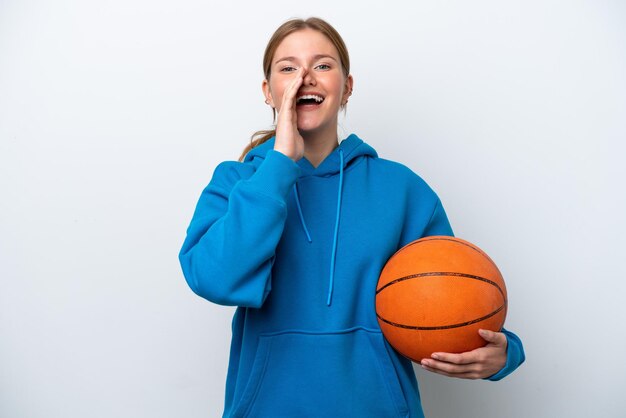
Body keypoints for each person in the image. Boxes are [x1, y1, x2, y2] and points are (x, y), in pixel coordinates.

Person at [179, 17, 525, 418]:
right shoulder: (237, 180)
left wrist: (504, 354)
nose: (305, 78)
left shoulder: (401, 189)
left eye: (323, 65)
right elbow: (215, 278)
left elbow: (455, 300)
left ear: (347, 87)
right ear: (268, 92)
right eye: (288, 68)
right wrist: (278, 166)